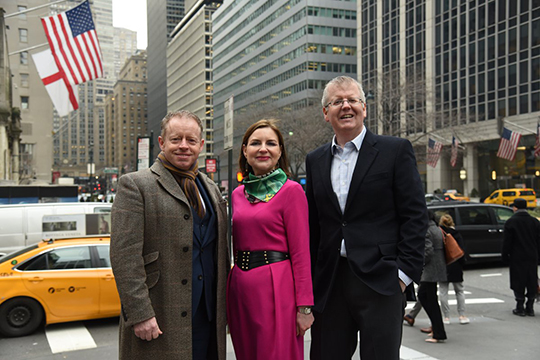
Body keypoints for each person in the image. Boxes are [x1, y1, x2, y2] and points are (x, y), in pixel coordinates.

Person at [305, 75, 428, 360]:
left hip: (381, 281)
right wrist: (310, 281)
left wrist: (403, 275)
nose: (345, 106)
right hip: (331, 282)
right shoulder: (315, 160)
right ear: (326, 113)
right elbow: (314, 224)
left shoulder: (395, 150)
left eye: (352, 100)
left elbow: (415, 216)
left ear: (364, 108)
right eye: (337, 101)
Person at [110, 110, 229, 360]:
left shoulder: (210, 187)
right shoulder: (135, 185)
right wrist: (140, 313)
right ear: (162, 143)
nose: (183, 146)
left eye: (191, 140)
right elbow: (125, 257)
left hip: (208, 315)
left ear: (201, 145)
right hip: (159, 316)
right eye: (176, 139)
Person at [227, 119, 314, 360]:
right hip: (240, 289)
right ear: (245, 150)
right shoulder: (237, 194)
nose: (263, 148)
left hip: (277, 288)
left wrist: (304, 307)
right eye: (255, 143)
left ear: (280, 151)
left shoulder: (292, 191)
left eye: (271, 143)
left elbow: (301, 253)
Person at [502, 198, 540, 317]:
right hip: (532, 255)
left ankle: (520, 306)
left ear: (515, 207)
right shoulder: (534, 221)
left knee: (518, 280)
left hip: (517, 256)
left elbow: (507, 242)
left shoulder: (511, 222)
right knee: (531, 280)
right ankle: (530, 307)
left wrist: (505, 256)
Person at [417, 210, 447, 343]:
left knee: (427, 298)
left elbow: (427, 250)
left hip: (430, 268)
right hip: (437, 266)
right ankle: (436, 328)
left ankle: (438, 332)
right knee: (428, 297)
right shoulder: (435, 227)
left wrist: (420, 263)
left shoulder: (426, 229)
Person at [438, 214, 469, 325]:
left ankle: (446, 317)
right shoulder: (456, 234)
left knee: (443, 291)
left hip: (443, 265)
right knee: (459, 291)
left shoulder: (439, 234)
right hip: (455, 264)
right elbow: (461, 251)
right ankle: (462, 315)